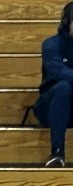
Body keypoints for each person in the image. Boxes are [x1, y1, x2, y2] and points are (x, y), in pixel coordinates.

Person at [34, 1, 73, 167]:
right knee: (64, 86)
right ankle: (57, 153)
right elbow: (56, 72)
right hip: (50, 108)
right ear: (66, 22)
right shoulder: (51, 44)